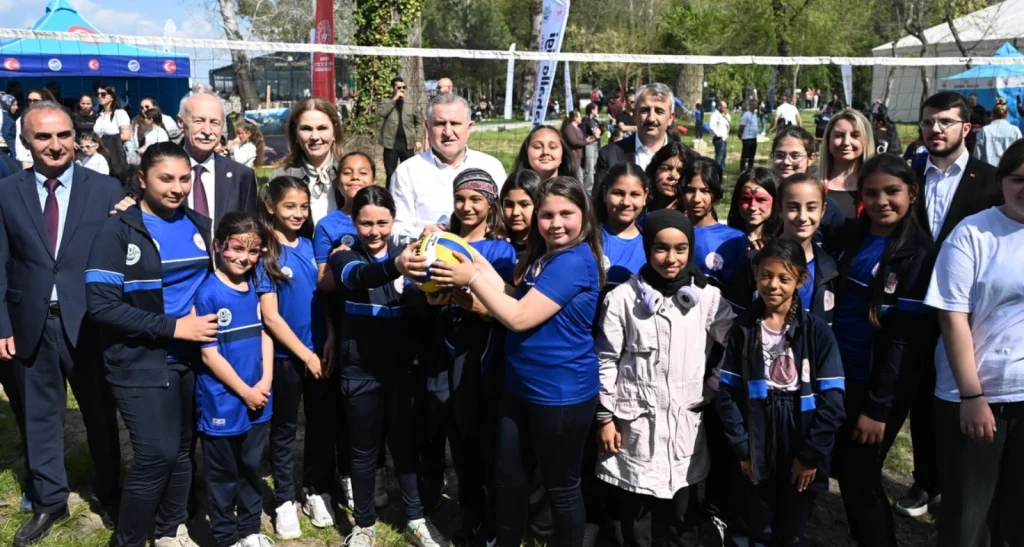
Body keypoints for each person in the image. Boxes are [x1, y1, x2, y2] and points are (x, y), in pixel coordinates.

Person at [420, 176, 604, 547]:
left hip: (561, 397)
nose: (555, 223)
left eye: (566, 214)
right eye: (547, 214)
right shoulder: (546, 255)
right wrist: (461, 253)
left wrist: (471, 276)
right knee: (508, 479)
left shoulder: (574, 261)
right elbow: (514, 293)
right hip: (519, 389)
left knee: (561, 489)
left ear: (584, 215)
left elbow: (518, 316)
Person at [1, 100, 124, 547]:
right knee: (38, 416)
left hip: (90, 321)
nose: (55, 145)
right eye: (43, 137)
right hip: (29, 319)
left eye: (63, 135)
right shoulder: (6, 191)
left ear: (76, 137)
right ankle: (50, 498)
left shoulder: (107, 189)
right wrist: (1, 325)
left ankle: (110, 491)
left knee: (99, 413)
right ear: (26, 142)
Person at [85, 142, 213, 547]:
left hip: (192, 361)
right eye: (165, 179)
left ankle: (169, 530)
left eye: (184, 178)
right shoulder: (117, 229)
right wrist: (174, 328)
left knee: (180, 451)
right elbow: (102, 306)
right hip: (139, 361)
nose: (176, 188)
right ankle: (129, 539)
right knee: (154, 455)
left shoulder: (199, 223)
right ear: (142, 180)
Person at [595, 208, 735, 547]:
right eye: (660, 248)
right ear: (646, 248)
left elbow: (736, 343)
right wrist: (605, 417)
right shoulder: (623, 299)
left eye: (680, 248)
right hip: (634, 425)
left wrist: (714, 385)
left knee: (682, 516)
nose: (671, 258)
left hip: (684, 425)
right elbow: (605, 359)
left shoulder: (707, 299)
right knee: (635, 519)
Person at [896, 91, 1002, 518]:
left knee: (968, 394)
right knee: (920, 396)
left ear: (966, 127)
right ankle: (926, 483)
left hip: (970, 309)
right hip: (913, 303)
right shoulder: (907, 175)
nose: (935, 129)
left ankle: (966, 486)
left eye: (944, 121)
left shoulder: (991, 180)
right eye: (927, 122)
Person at [328, 186, 451, 547]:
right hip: (359, 373)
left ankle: (416, 520)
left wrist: (432, 297)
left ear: (393, 221)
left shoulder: (411, 259)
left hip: (402, 374)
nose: (375, 230)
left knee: (406, 447)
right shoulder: (345, 256)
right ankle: (364, 524)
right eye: (366, 223)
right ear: (354, 221)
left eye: (382, 222)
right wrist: (395, 267)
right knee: (364, 452)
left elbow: (420, 309)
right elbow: (355, 279)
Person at [830, 154, 935, 547]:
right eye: (871, 193)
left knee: (860, 476)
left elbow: (905, 341)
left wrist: (878, 407)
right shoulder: (850, 235)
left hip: (874, 382)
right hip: (835, 370)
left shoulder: (919, 252)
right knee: (845, 469)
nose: (881, 201)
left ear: (912, 192)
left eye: (892, 191)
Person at [924, 138, 1024, 547]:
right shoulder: (973, 233)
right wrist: (972, 395)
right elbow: (952, 317)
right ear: (1001, 181)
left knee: (1016, 517)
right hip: (976, 397)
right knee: (968, 520)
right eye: (1019, 179)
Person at [716, 239, 846, 547]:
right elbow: (728, 395)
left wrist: (811, 455)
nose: (772, 285)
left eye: (784, 278)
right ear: (755, 274)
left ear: (801, 280)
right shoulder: (744, 329)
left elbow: (833, 402)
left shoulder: (816, 332)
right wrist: (744, 449)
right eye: (765, 275)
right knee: (755, 521)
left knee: (795, 524)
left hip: (800, 430)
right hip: (758, 428)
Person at [422, 168, 517, 546]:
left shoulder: (500, 248)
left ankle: (493, 518)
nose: (467, 207)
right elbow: (427, 290)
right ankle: (470, 511)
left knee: (484, 440)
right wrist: (432, 297)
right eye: (461, 199)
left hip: (482, 354)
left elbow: (502, 306)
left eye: (476, 199)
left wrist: (473, 303)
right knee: (457, 439)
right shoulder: (441, 240)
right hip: (446, 349)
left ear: (490, 203)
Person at [194, 212, 275, 547]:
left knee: (251, 466)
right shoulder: (208, 293)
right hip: (223, 401)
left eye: (253, 251)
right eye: (237, 248)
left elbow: (267, 333)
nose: (245, 257)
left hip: (259, 397)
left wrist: (266, 381)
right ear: (218, 246)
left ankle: (250, 530)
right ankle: (226, 536)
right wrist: (244, 391)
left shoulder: (257, 283)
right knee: (223, 475)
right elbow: (208, 354)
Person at [254, 177, 326, 539]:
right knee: (284, 431)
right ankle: (284, 499)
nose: (298, 213)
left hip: (318, 353)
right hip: (286, 358)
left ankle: (312, 489)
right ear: (271, 207)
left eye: (303, 206)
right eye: (289, 206)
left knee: (318, 426)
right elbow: (271, 317)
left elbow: (323, 297)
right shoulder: (266, 252)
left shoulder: (312, 246)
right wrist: (304, 355)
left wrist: (325, 344)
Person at [391, 93, 507, 245]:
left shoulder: (491, 167)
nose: (448, 132)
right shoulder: (407, 171)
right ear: (427, 127)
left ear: (469, 127)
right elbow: (394, 227)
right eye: (440, 124)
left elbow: (506, 218)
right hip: (427, 258)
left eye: (455, 123)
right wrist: (420, 234)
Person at [725, 174, 839, 325]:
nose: (803, 217)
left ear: (823, 210)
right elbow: (734, 319)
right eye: (793, 207)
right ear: (779, 208)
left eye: (811, 208)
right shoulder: (755, 259)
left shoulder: (830, 268)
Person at [179, 92, 259, 233]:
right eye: (199, 121)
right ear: (181, 122)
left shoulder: (242, 176)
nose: (207, 131)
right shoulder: (159, 172)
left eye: (214, 123)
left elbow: (250, 232)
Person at [594, 83, 677, 202]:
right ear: (635, 114)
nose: (651, 118)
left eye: (659, 111)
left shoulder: (686, 158)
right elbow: (598, 206)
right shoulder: (609, 155)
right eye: (645, 110)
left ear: (671, 118)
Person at [271, 98, 345, 226]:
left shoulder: (351, 175)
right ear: (295, 134)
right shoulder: (281, 177)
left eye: (322, 128)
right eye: (306, 129)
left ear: (335, 132)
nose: (315, 137)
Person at [678, 157, 748, 288]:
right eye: (690, 190)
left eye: (705, 191)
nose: (696, 199)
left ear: (716, 195)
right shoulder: (671, 232)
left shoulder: (735, 239)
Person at [597, 162, 648, 292]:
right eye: (618, 193)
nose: (626, 202)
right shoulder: (589, 239)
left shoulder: (651, 243)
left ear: (645, 196)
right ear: (605, 193)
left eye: (635, 194)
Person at [821, 109, 875, 221]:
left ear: (866, 140)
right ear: (828, 139)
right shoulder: (811, 182)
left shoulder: (877, 183)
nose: (846, 142)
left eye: (855, 136)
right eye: (839, 135)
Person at [378, 76, 424, 187]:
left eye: (404, 87)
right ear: (392, 88)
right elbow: (381, 114)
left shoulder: (410, 103)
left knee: (408, 173)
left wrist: (418, 139)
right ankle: (389, 198)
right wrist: (394, 100)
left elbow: (419, 122)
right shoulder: (385, 102)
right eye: (399, 87)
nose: (402, 90)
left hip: (407, 144)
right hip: (390, 144)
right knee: (390, 174)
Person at [726, 167, 781, 250]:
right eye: (746, 199)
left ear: (775, 203)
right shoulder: (725, 240)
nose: (752, 207)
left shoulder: (782, 243)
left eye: (761, 199)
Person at [512, 125, 579, 182]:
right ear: (526, 152)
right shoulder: (516, 193)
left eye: (552, 147)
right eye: (537, 147)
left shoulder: (574, 194)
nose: (545, 152)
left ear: (563, 154)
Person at [645, 141, 697, 212]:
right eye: (666, 168)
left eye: (680, 171)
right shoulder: (639, 211)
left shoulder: (693, 216)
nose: (673, 176)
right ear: (654, 170)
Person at [94, 84, 132, 180]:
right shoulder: (98, 115)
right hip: (99, 153)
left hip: (114, 155)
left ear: (112, 97)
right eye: (97, 94)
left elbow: (126, 135)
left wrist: (105, 140)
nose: (99, 96)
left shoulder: (120, 113)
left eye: (103, 94)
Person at [500, 170, 542, 257]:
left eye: (524, 204)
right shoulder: (495, 246)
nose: (515, 212)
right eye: (509, 205)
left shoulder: (546, 247)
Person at [972, 97, 1021, 168]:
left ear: (992, 114)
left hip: (989, 170)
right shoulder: (1015, 130)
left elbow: (978, 154)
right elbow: (1020, 153)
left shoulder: (986, 130)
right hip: (1009, 171)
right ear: (1006, 114)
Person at [581, 102, 602, 191]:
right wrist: (593, 135)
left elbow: (599, 132)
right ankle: (587, 190)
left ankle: (594, 188)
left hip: (596, 145)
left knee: (595, 167)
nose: (597, 111)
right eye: (596, 109)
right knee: (589, 168)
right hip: (589, 145)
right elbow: (583, 134)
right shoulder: (585, 121)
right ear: (592, 110)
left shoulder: (595, 121)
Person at [709, 101, 731, 174]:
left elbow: (729, 121)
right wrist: (718, 134)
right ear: (719, 106)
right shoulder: (715, 115)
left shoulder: (723, 115)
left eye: (726, 107)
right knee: (719, 157)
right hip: (719, 139)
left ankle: (722, 172)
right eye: (724, 107)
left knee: (724, 156)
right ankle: (716, 172)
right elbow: (712, 126)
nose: (725, 109)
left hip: (724, 139)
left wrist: (726, 114)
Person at [739, 100, 760, 172]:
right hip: (747, 138)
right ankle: (742, 169)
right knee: (745, 154)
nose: (755, 106)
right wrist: (740, 135)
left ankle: (750, 169)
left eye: (756, 104)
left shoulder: (754, 114)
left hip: (754, 138)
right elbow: (741, 126)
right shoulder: (746, 114)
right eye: (753, 104)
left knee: (752, 155)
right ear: (750, 105)